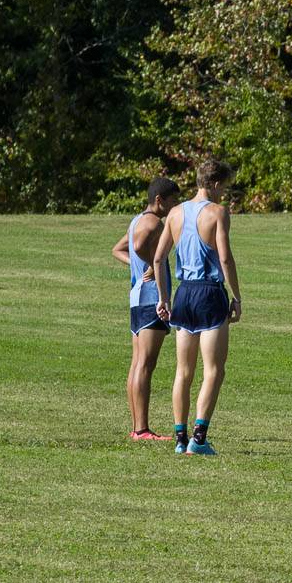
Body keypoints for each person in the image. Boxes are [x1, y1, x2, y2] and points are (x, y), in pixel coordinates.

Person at [153, 159, 242, 456]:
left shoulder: (175, 213)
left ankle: (180, 438)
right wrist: (237, 296)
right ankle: (199, 438)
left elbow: (157, 259)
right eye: (225, 187)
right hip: (209, 292)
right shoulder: (217, 212)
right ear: (215, 184)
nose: (225, 193)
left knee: (183, 371)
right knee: (214, 370)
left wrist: (163, 299)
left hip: (183, 294)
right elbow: (226, 258)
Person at [112, 176, 181, 441]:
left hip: (137, 298)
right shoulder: (154, 222)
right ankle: (142, 429)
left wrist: (138, 267)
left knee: (137, 364)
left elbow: (118, 249)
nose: (175, 206)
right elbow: (139, 246)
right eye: (173, 201)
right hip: (151, 298)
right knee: (145, 365)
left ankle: (137, 428)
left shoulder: (137, 220)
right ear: (159, 200)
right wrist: (152, 264)